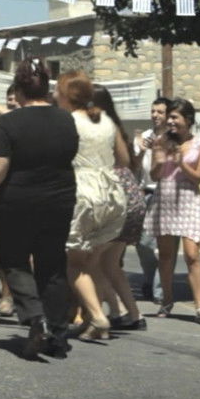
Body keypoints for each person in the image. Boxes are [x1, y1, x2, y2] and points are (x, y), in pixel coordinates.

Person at [0, 58, 79, 359]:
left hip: (18, 203)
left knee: (14, 261)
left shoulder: (10, 123)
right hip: (59, 201)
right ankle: (59, 337)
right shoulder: (66, 120)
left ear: (20, 91)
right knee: (52, 266)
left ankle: (35, 317)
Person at [56, 71, 128, 341]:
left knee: (74, 265)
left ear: (66, 95)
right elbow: (124, 159)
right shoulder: (106, 120)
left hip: (84, 194)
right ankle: (94, 324)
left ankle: (98, 317)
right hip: (112, 194)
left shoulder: (68, 121)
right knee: (92, 264)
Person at [143, 98, 200, 322]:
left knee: (192, 254)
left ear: (188, 120)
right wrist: (162, 157)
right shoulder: (162, 140)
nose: (170, 121)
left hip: (188, 198)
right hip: (165, 197)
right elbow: (154, 175)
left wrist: (181, 162)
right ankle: (167, 301)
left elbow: (199, 178)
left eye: (174, 117)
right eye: (169, 117)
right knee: (165, 255)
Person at [92, 85, 148, 331]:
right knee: (110, 263)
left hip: (115, 201)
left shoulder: (101, 129)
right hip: (132, 200)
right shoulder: (117, 128)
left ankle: (105, 314)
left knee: (90, 260)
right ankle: (131, 314)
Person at [132, 97, 170, 302]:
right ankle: (149, 278)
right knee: (144, 243)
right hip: (146, 192)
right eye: (153, 111)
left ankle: (159, 292)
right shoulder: (144, 136)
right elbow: (134, 166)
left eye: (160, 112)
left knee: (163, 245)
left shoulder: (173, 138)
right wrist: (142, 150)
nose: (155, 115)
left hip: (167, 193)